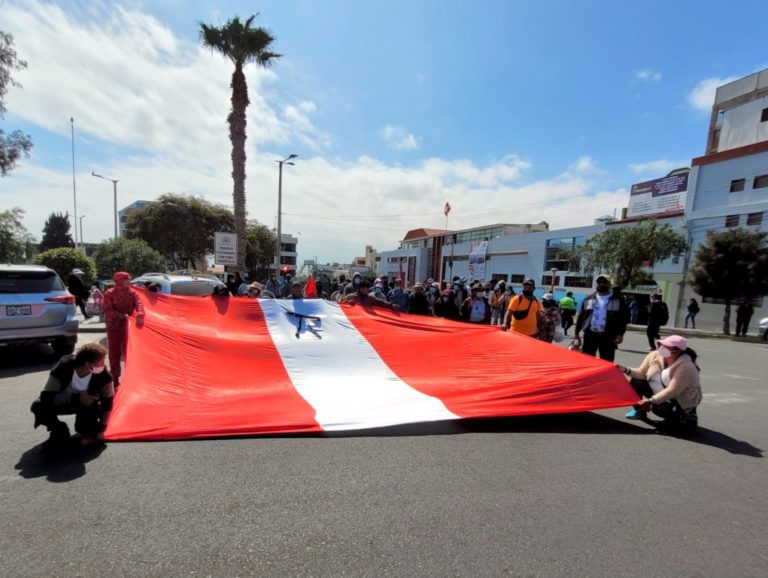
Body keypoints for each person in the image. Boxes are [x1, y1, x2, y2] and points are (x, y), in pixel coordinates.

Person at [30, 342, 114, 451]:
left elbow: (108, 404)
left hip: (87, 406)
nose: (103, 365)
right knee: (38, 406)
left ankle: (87, 429)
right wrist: (76, 397)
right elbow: (47, 395)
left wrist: (102, 428)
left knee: (86, 431)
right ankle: (59, 430)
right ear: (88, 364)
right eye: (100, 362)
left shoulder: (105, 377)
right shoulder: (64, 367)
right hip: (62, 402)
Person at [616, 335, 702, 436]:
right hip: (658, 394)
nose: (661, 347)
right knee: (636, 380)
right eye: (661, 344)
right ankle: (639, 410)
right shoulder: (654, 355)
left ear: (677, 351)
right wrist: (625, 370)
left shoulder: (686, 366)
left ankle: (685, 418)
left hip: (678, 401)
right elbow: (641, 373)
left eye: (666, 346)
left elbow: (673, 390)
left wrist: (650, 401)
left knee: (675, 426)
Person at [573, 273, 629, 362]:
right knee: (587, 360)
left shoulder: (618, 299)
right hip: (590, 335)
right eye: (599, 282)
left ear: (609, 284)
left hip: (608, 335)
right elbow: (581, 316)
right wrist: (576, 333)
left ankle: (604, 376)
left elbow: (623, 318)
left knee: (607, 361)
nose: (601, 284)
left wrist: (620, 334)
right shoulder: (589, 298)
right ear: (596, 284)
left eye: (604, 282)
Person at [103, 271, 145, 386]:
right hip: (114, 327)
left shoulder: (133, 293)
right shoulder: (109, 293)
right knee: (114, 353)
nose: (130, 281)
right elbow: (108, 310)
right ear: (120, 281)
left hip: (129, 327)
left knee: (130, 352)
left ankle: (130, 377)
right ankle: (115, 378)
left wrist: (140, 314)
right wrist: (122, 316)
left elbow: (139, 303)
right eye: (127, 279)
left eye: (130, 279)